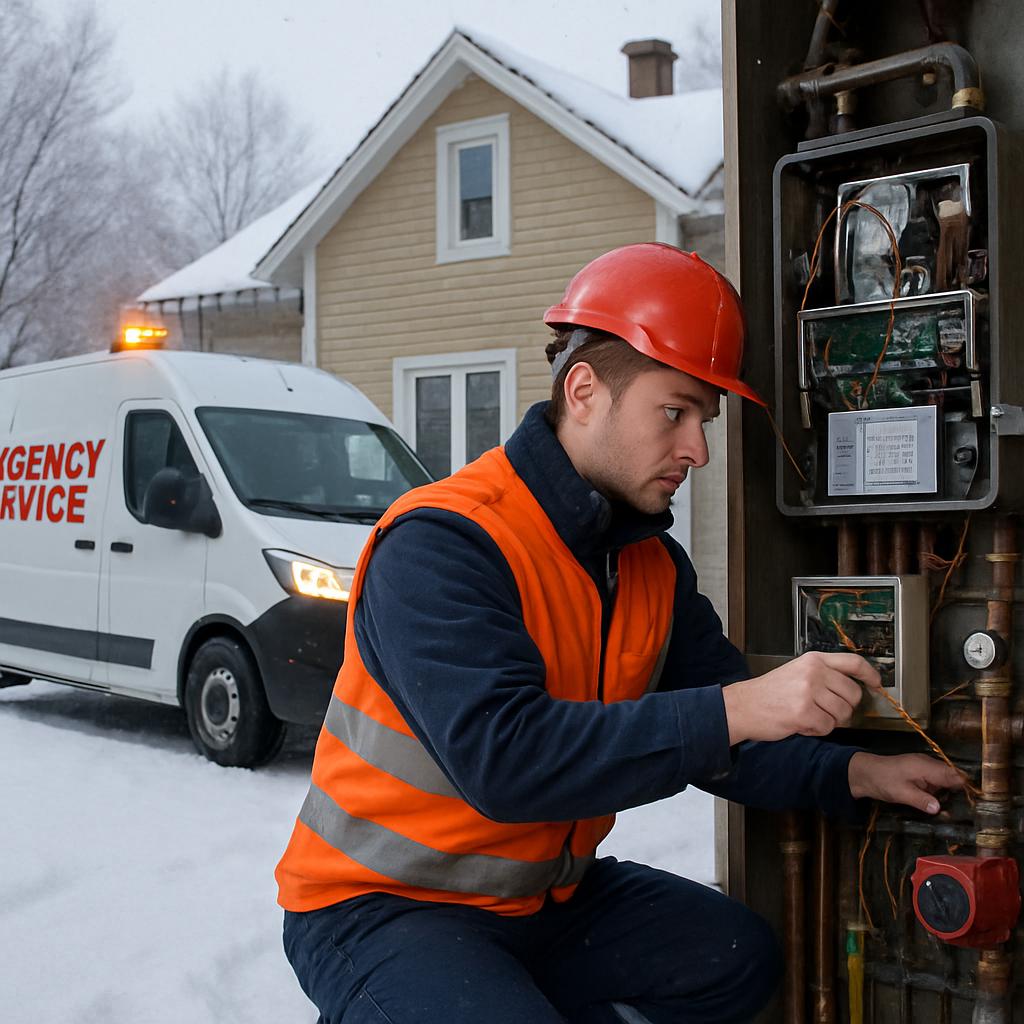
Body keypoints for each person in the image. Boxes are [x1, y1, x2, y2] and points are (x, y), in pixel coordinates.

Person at [275, 243, 963, 1024]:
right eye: (674, 412)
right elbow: (506, 761)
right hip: (382, 907)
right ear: (584, 391)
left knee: (735, 958)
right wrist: (740, 708)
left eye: (703, 419)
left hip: (543, 903)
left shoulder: (649, 566)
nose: (697, 449)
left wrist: (854, 777)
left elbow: (726, 733)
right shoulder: (446, 541)